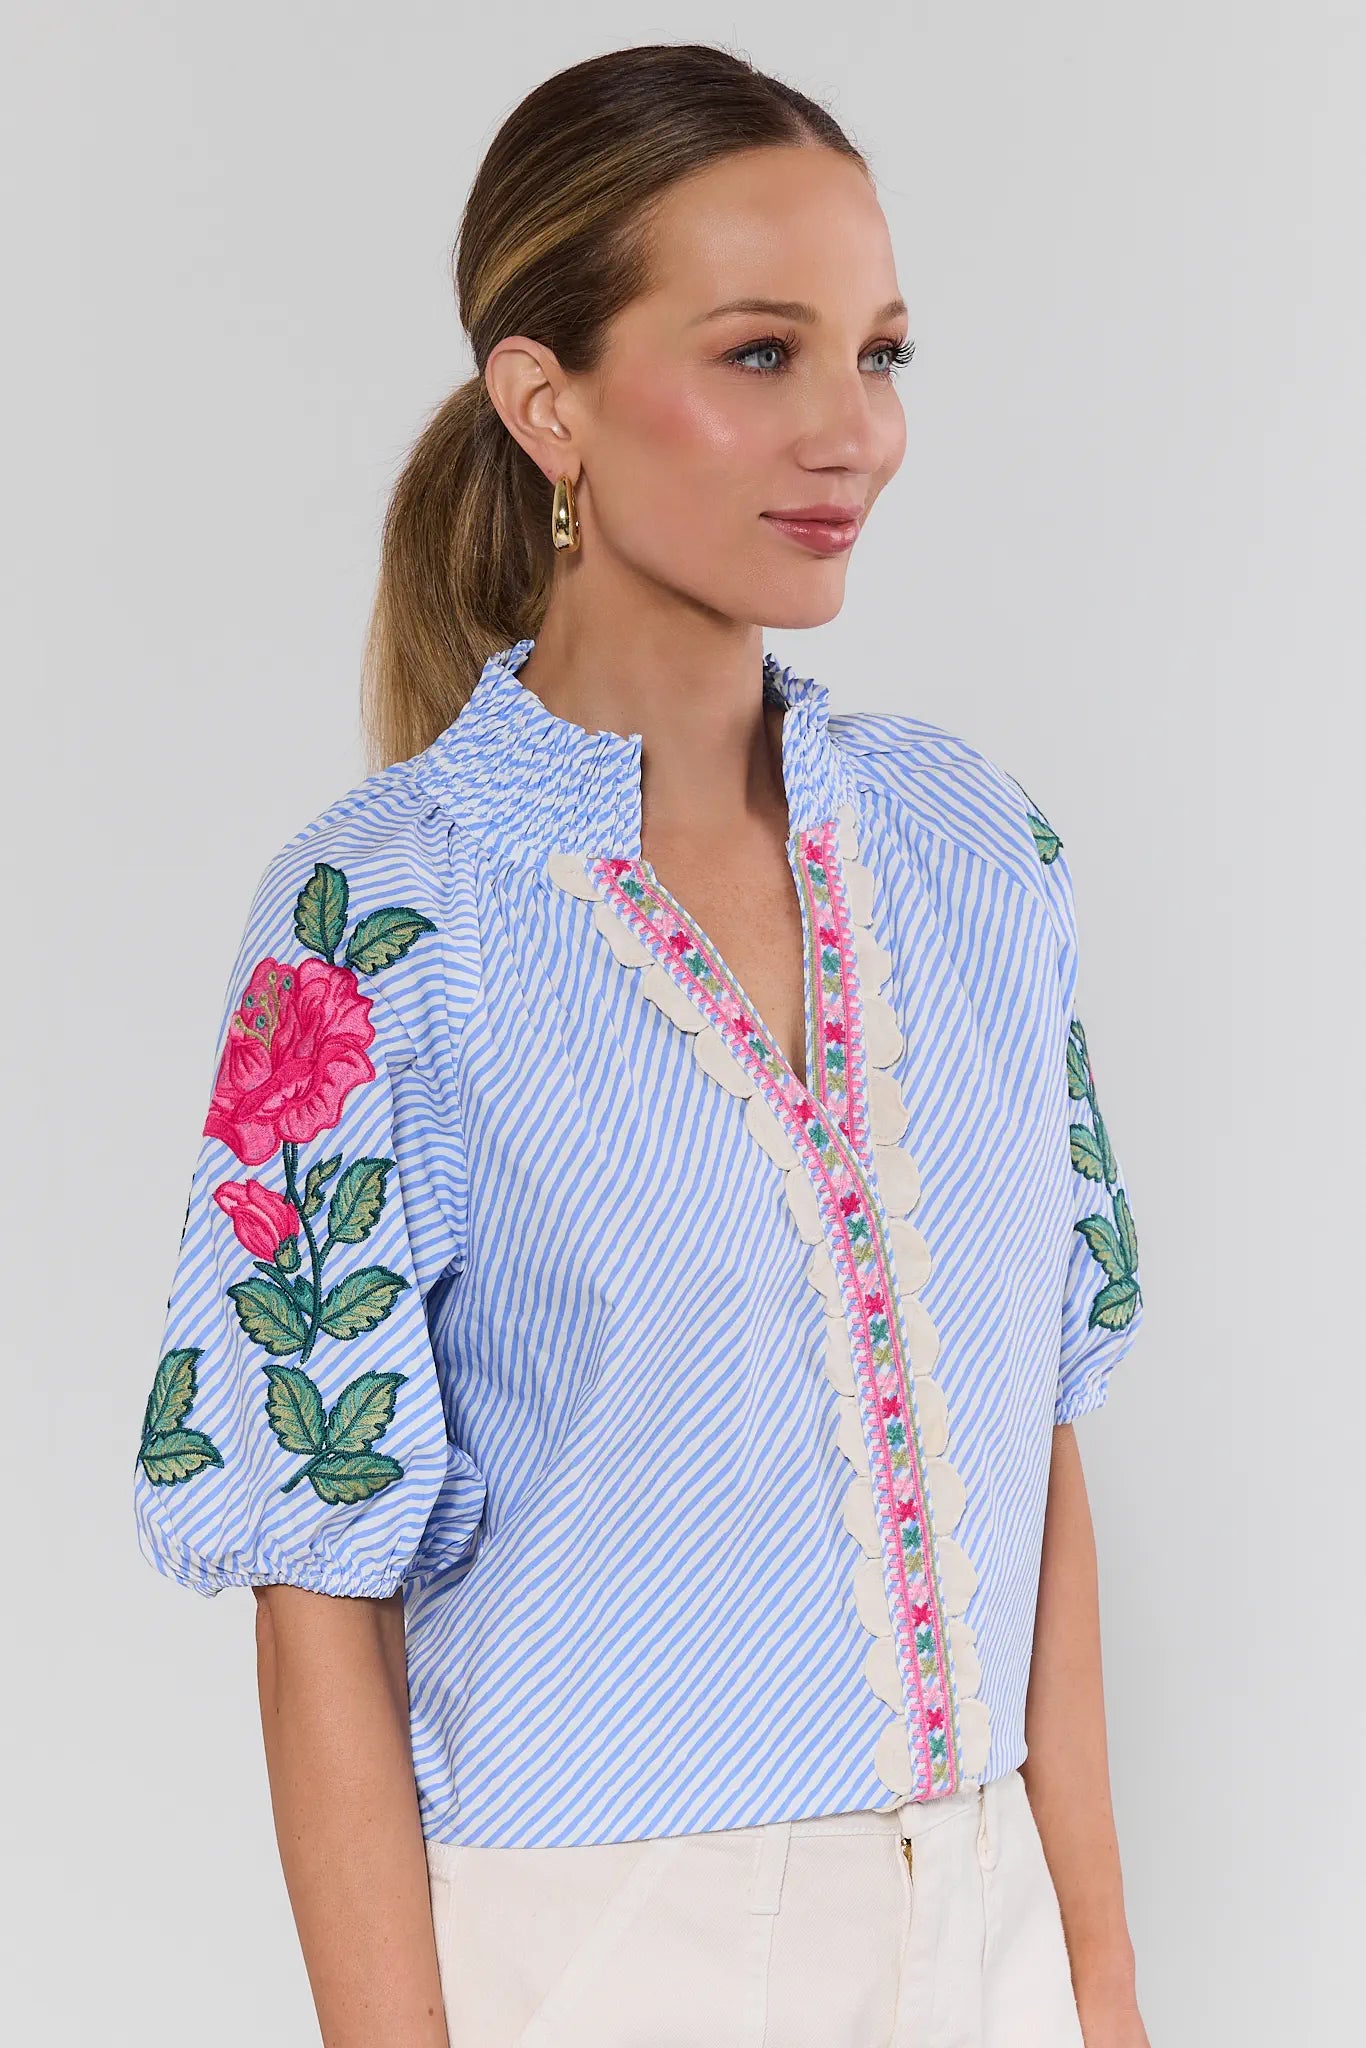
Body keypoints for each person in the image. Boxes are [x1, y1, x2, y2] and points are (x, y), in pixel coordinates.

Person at [132, 41, 1151, 2048]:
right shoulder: (377, 920)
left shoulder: (970, 854)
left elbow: (1029, 1420)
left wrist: (1098, 1981)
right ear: (545, 402)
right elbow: (312, 1587)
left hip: (990, 1931)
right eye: (760, 353)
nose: (849, 430)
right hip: (604, 1959)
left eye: (880, 352)